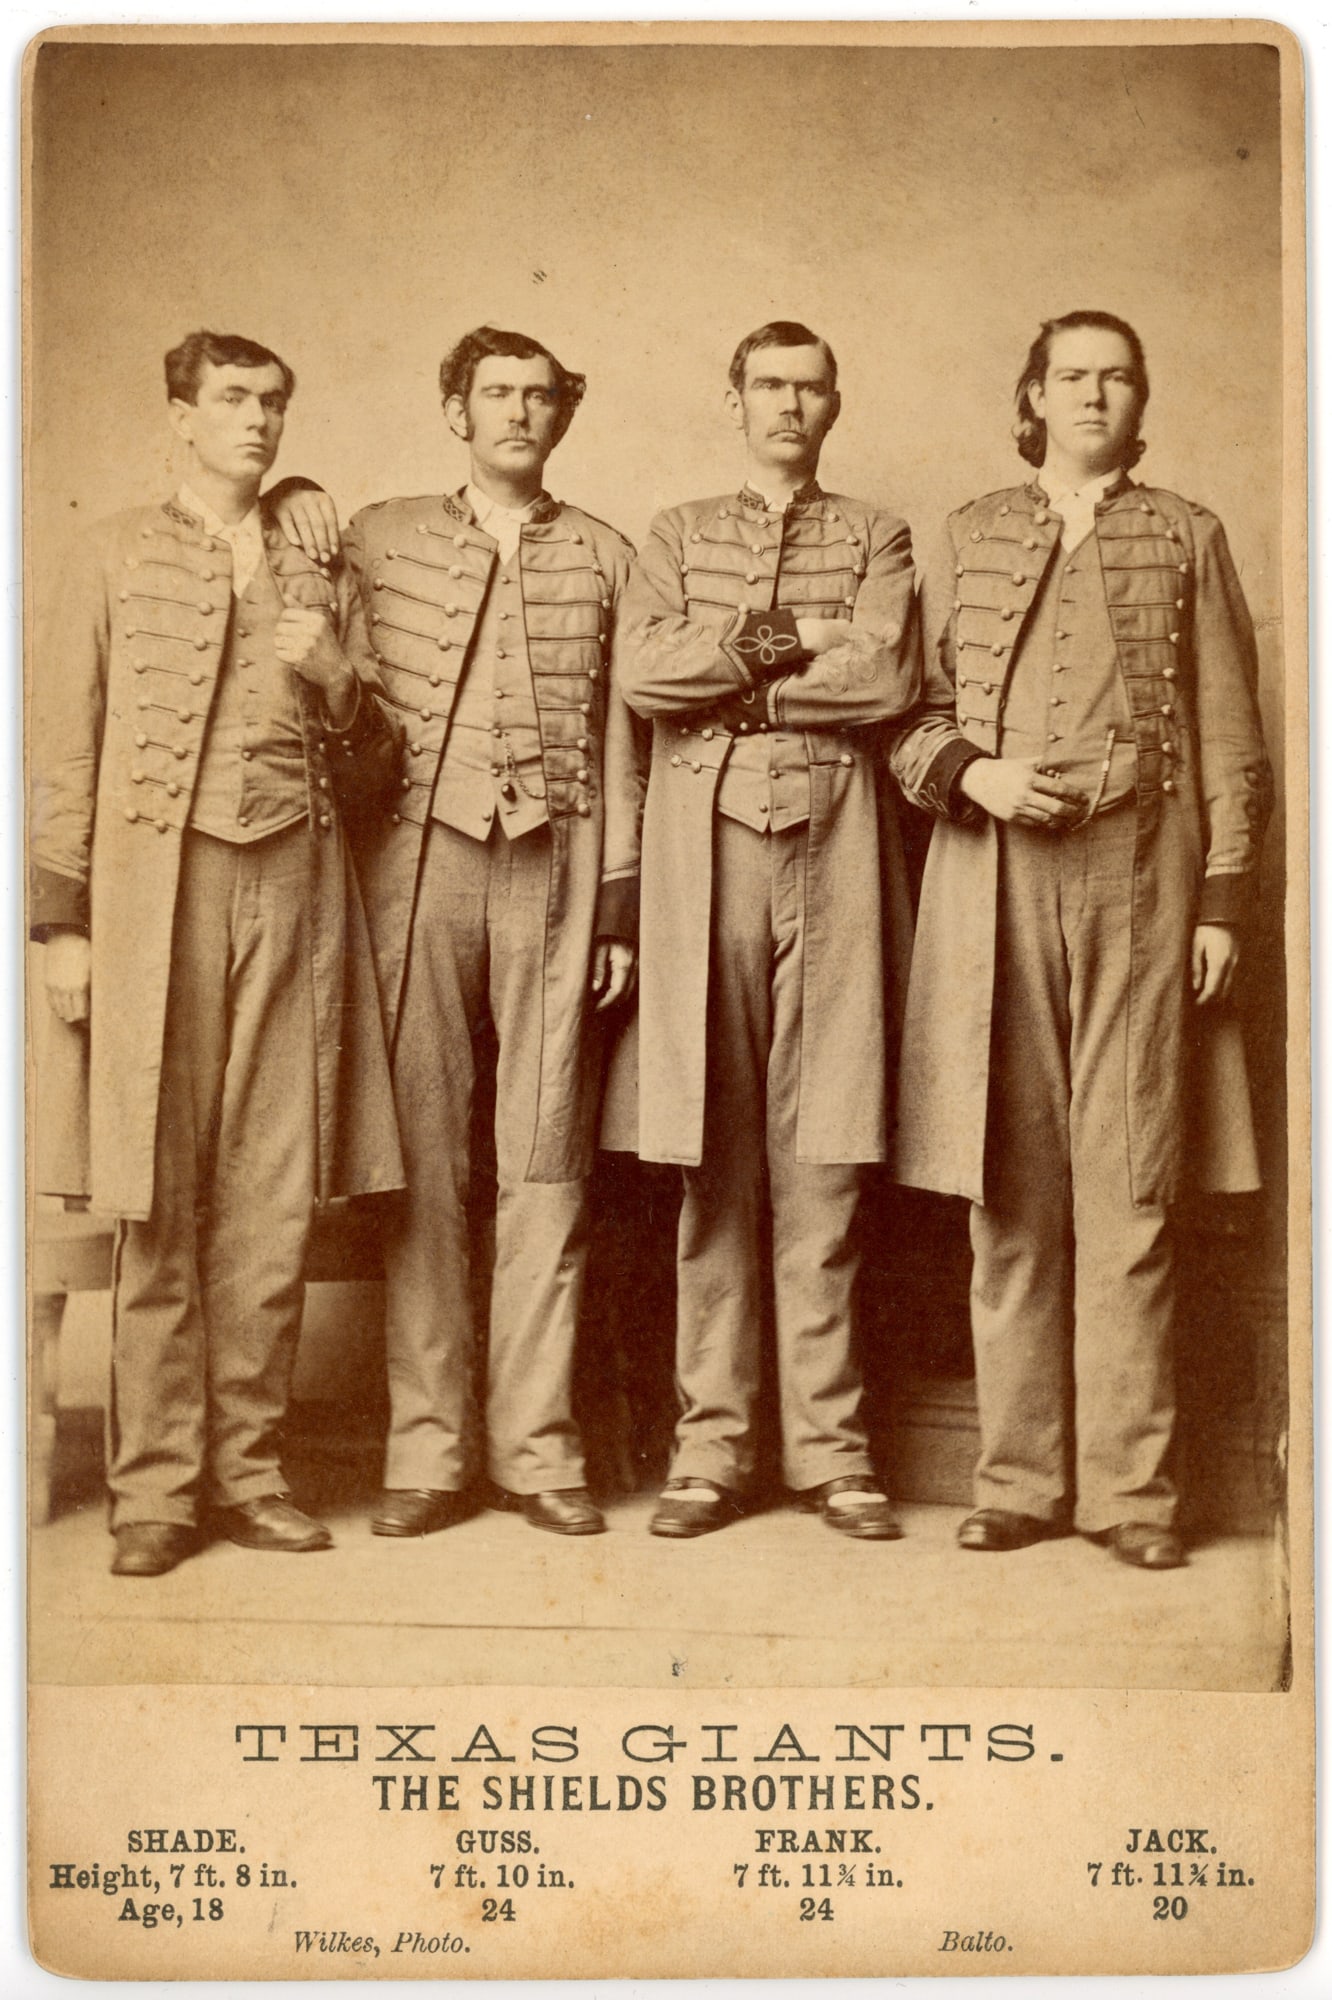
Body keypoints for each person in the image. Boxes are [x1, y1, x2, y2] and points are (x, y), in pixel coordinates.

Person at [892, 310, 1272, 1569]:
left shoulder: (1188, 533)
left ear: (1138, 401)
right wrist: (977, 774)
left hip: (1142, 874)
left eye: (1117, 377)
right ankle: (1016, 1480)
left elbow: (1232, 737)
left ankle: (1132, 1494)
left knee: (1133, 1186)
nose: (1094, 394)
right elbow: (912, 719)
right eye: (1072, 376)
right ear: (1035, 397)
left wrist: (1221, 901)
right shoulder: (970, 532)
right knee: (1009, 1186)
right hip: (993, 879)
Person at [30, 330, 403, 1576]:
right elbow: (63, 749)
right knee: (159, 1189)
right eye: (233, 399)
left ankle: (249, 1472)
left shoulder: (319, 566)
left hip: (297, 884)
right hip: (160, 896)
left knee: (270, 1195)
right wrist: (65, 925)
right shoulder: (110, 553)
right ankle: (155, 1489)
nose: (257, 421)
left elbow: (379, 769)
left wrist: (337, 679)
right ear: (181, 415)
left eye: (273, 402)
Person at [273, 327, 646, 1538]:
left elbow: (625, 744)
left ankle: (537, 1449)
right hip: (418, 867)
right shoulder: (380, 534)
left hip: (556, 867)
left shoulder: (607, 554)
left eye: (540, 396)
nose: (519, 413)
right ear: (456, 410)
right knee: (425, 1164)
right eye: (496, 393)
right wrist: (290, 489)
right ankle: (429, 1451)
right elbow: (284, 565)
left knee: (548, 1159)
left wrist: (619, 907)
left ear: (562, 416)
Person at [618, 320, 966, 1540]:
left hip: (836, 847)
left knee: (826, 1160)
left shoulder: (877, 534)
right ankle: (709, 1449)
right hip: (701, 856)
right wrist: (795, 638)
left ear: (834, 404)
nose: (789, 404)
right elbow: (645, 676)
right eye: (768, 385)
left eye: (810, 387)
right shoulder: (674, 533)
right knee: (711, 1153)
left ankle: (832, 1452)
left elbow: (884, 681)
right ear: (736, 400)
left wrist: (735, 674)